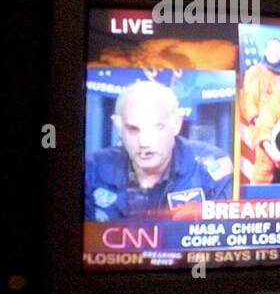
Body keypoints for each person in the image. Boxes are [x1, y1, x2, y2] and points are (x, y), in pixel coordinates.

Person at [86, 79, 231, 220]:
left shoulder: (209, 170)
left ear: (177, 124)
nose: (144, 142)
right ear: (118, 126)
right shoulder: (92, 169)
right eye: (133, 129)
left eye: (157, 128)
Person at [239, 37, 280, 127]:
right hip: (262, 126)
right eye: (272, 49)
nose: (275, 52)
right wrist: (259, 125)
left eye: (278, 49)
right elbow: (250, 102)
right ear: (266, 51)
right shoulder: (255, 72)